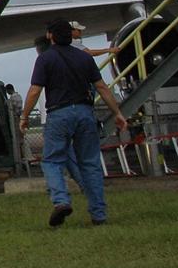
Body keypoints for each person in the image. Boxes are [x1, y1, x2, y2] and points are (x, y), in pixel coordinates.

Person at [20, 19, 128, 228]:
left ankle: (61, 201)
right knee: (90, 163)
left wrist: (24, 116)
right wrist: (117, 113)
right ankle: (98, 214)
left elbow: (35, 90)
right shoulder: (84, 58)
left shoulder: (45, 59)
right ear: (72, 35)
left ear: (50, 35)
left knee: (52, 161)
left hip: (59, 114)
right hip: (85, 112)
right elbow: (102, 87)